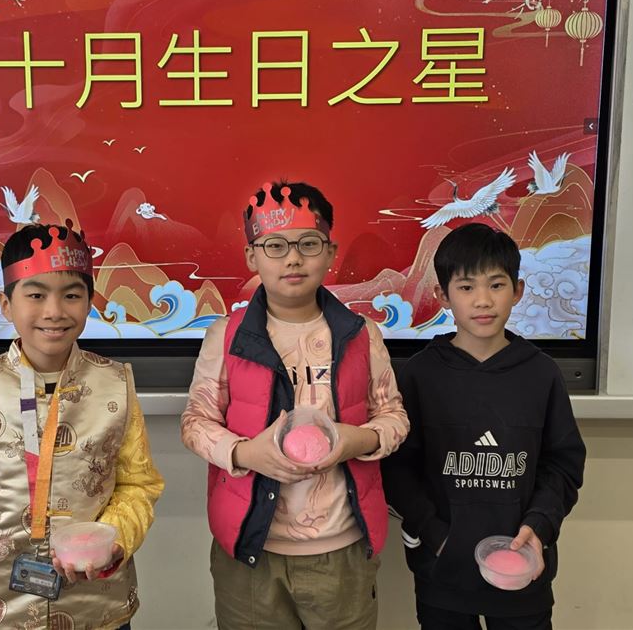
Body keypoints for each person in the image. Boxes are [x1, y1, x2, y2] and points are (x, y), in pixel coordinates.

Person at [181, 181, 409, 629]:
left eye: (308, 244)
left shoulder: (361, 335)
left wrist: (356, 440)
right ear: (252, 257)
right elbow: (195, 422)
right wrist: (246, 452)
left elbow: (394, 417)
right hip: (251, 552)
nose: (292, 258)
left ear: (330, 252)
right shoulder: (226, 336)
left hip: (341, 549)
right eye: (275, 246)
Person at [0, 222, 164, 630]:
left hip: (95, 602)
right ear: (6, 304)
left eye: (72, 295)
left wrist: (114, 539)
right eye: (36, 295)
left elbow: (139, 484)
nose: (54, 311)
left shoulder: (115, 383)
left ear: (90, 302)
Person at [381, 222, 586, 630]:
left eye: (496, 285)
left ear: (518, 291)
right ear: (442, 295)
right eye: (466, 287)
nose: (483, 300)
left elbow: (562, 465)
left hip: (523, 570)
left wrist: (538, 526)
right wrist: (435, 534)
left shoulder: (541, 373)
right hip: (442, 571)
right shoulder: (420, 374)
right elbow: (398, 468)